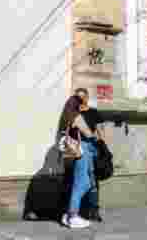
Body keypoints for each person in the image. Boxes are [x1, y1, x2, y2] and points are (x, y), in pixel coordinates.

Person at [58, 93, 98, 229]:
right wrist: (94, 137)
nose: (82, 105)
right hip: (79, 153)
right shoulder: (76, 116)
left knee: (80, 183)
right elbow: (88, 133)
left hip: (69, 155)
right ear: (77, 105)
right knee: (81, 184)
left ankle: (68, 215)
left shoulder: (65, 117)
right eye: (80, 103)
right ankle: (73, 215)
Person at [72, 88, 105, 222]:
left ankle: (94, 209)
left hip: (91, 148)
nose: (79, 100)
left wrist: (102, 147)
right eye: (77, 98)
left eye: (82, 97)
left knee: (92, 179)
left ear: (87, 98)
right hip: (78, 149)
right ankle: (77, 210)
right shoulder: (74, 114)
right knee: (79, 180)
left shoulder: (93, 112)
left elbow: (100, 131)